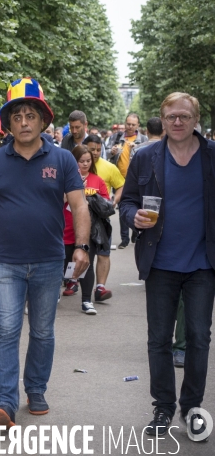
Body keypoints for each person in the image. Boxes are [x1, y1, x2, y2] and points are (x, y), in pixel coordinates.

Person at [0, 77, 90, 427]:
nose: (24, 121)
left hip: (50, 262)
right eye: (17, 115)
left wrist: (81, 247)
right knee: (6, 330)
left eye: (30, 115)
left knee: (42, 331)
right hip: (5, 262)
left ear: (43, 121)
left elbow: (79, 206)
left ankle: (35, 389)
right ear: (8, 123)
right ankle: (5, 402)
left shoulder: (64, 159)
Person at [119, 92, 215, 437]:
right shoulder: (146, 158)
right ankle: (162, 408)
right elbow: (126, 202)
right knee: (158, 339)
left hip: (203, 264)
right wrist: (134, 217)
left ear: (195, 119)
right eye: (172, 116)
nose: (178, 122)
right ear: (162, 117)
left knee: (198, 339)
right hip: (160, 262)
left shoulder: (211, 156)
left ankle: (191, 408)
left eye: (184, 116)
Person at [62, 145, 111, 314]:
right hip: (66, 227)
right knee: (63, 263)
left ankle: (86, 300)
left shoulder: (97, 180)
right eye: (81, 161)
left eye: (88, 161)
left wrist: (89, 199)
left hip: (88, 230)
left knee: (86, 264)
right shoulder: (65, 178)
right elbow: (56, 202)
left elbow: (107, 205)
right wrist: (72, 193)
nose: (85, 164)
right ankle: (58, 290)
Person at [82, 134, 125, 300]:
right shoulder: (75, 167)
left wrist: (113, 202)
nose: (95, 153)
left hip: (101, 220)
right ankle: (74, 282)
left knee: (104, 253)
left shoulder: (109, 167)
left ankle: (100, 288)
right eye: (92, 149)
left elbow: (121, 186)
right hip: (80, 220)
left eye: (98, 149)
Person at [109, 113, 148, 248]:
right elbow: (106, 152)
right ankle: (124, 238)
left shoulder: (143, 139)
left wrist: (135, 149)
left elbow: (147, 157)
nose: (130, 127)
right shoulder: (116, 137)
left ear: (138, 125)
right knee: (123, 207)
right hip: (119, 179)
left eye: (133, 124)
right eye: (128, 124)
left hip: (137, 178)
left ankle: (135, 232)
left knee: (138, 205)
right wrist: (112, 151)